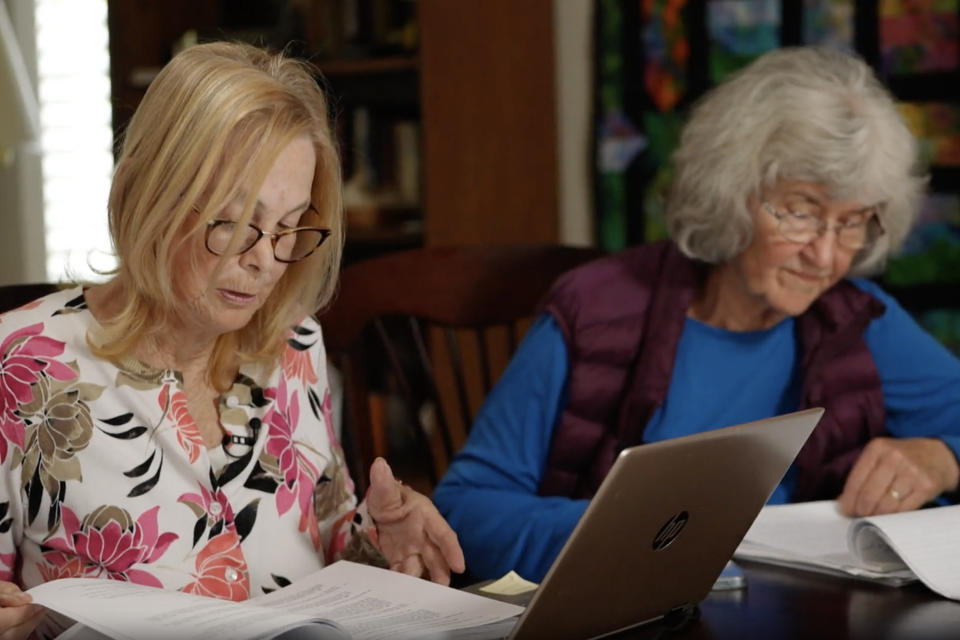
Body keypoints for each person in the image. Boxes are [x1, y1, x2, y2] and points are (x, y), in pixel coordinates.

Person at [433, 46, 960, 583]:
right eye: (800, 212)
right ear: (729, 191)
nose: (825, 257)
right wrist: (645, 532)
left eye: (852, 223)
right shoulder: (595, 311)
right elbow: (466, 513)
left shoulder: (857, 322)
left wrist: (942, 456)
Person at [0, 41, 462, 639]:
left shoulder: (295, 345)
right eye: (238, 225)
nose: (267, 260)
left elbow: (328, 545)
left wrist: (381, 541)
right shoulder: (22, 364)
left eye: (291, 226)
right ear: (154, 197)